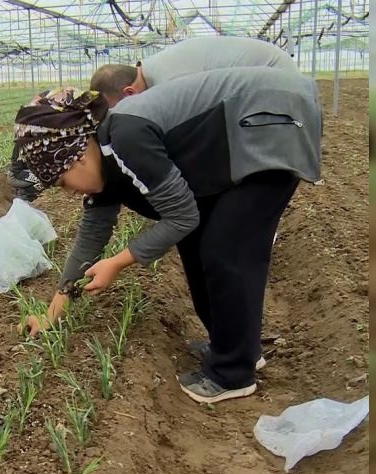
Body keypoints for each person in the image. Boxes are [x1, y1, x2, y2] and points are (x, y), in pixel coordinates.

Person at [17, 66, 322, 404]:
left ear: (76, 153)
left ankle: (234, 373)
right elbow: (90, 238)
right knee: (195, 244)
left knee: (226, 249)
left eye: (61, 181)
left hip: (270, 120)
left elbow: (182, 214)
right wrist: (52, 313)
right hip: (241, 133)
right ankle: (232, 344)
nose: (67, 192)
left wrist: (118, 262)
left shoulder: (125, 138)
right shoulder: (103, 161)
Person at [90, 36, 299, 107]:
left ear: (129, 93)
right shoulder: (157, 67)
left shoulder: (170, 80)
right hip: (263, 83)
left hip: (277, 81)